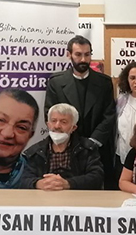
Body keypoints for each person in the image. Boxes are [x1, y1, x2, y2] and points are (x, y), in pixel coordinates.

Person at [45, 35, 117, 189]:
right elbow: (50, 114)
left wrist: (93, 141)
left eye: (87, 54)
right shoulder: (56, 82)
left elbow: (109, 115)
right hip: (66, 147)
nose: (83, 59)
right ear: (69, 54)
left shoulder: (104, 82)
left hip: (98, 148)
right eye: (78, 54)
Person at [20, 103, 104, 190]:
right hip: (45, 195)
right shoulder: (34, 152)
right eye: (53, 121)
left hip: (77, 196)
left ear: (73, 127)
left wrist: (68, 184)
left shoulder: (87, 149)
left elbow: (97, 177)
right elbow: (24, 179)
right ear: (48, 124)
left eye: (63, 122)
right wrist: (38, 183)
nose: (57, 126)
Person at [0, 88, 39, 189]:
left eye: (21, 127)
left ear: (30, 135)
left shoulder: (37, 174)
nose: (8, 134)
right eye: (1, 120)